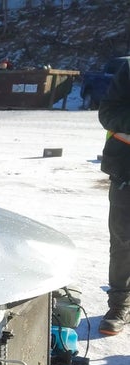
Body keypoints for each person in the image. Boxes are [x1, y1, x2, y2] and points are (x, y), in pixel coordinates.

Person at [98, 57, 130, 335]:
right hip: (127, 173)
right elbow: (107, 114)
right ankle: (120, 304)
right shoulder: (129, 69)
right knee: (123, 241)